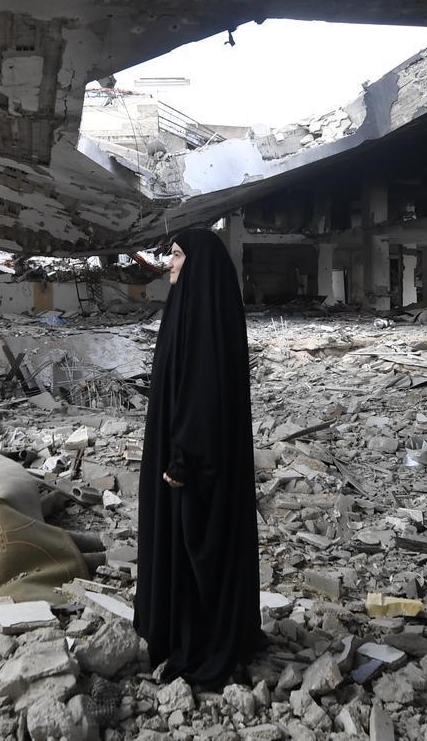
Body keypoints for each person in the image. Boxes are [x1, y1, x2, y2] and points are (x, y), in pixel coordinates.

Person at [134, 227, 264, 689]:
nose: (169, 263)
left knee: (192, 542)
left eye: (176, 255)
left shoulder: (203, 314)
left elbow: (202, 389)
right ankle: (176, 632)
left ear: (198, 263)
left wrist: (183, 457)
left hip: (193, 459)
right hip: (184, 448)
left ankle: (197, 639)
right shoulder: (190, 305)